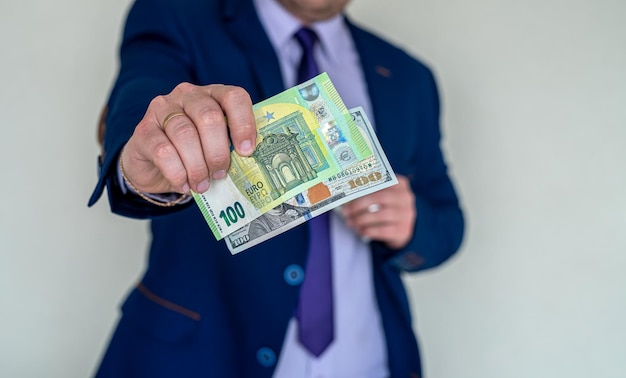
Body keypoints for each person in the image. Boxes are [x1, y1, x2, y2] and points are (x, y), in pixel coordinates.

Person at [89, 0, 464, 376]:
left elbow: (447, 218)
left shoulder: (409, 77)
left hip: (367, 357)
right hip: (205, 356)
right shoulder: (174, 15)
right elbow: (140, 98)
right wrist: (144, 156)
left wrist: (413, 225)